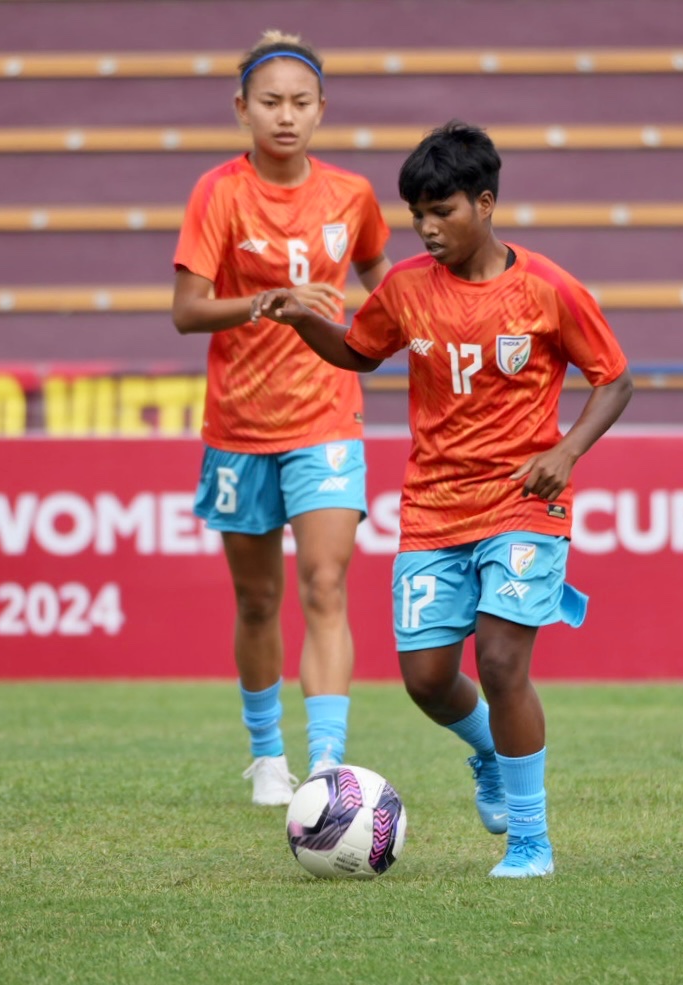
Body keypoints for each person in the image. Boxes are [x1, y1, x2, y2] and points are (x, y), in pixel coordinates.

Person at [252, 121, 633, 877]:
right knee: (425, 677)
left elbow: (614, 379)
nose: (425, 228)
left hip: (523, 500)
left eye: (442, 210)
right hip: (433, 506)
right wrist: (306, 324)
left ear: (485, 203)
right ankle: (491, 750)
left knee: (499, 659)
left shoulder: (548, 288)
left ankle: (530, 840)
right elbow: (359, 352)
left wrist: (565, 450)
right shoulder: (404, 289)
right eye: (416, 213)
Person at [171, 30, 392, 804]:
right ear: (241, 109)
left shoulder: (352, 195)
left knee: (326, 585)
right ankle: (267, 754)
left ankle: (327, 764)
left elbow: (382, 278)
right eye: (270, 102)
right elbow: (185, 311)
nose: (286, 116)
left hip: (327, 416)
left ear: (322, 109)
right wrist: (270, 303)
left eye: (301, 102)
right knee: (258, 599)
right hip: (238, 425)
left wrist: (383, 324)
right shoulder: (218, 194)